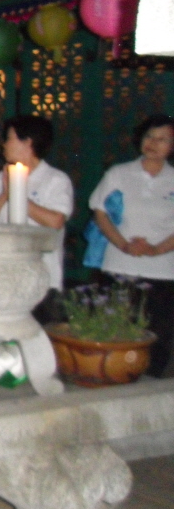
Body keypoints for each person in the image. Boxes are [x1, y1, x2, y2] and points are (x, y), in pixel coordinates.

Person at [88, 114, 174, 377]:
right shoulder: (119, 173)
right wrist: (124, 245)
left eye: (162, 139)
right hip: (119, 265)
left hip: (162, 270)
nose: (153, 143)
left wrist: (155, 249)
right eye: (149, 136)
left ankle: (150, 387)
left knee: (157, 337)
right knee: (115, 332)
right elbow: (100, 213)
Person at [0, 115, 73, 325]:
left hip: (42, 275)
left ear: (28, 142)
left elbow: (56, 221)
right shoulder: (1, 177)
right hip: (4, 272)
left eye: (9, 138)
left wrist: (18, 194)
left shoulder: (55, 180)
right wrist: (5, 194)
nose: (4, 145)